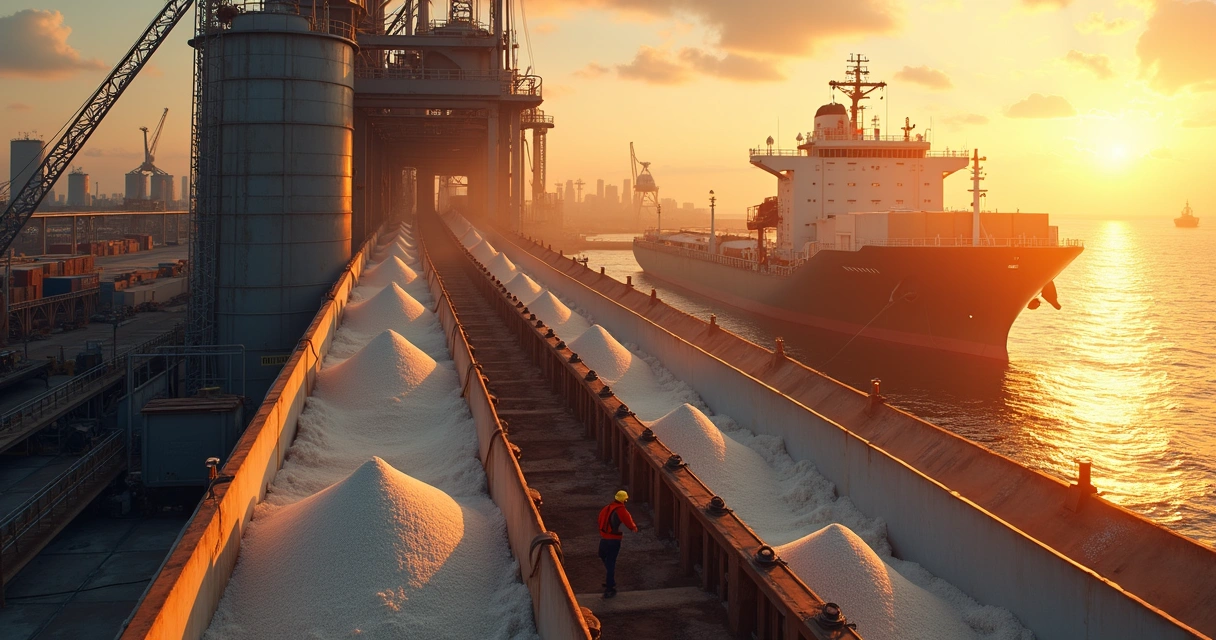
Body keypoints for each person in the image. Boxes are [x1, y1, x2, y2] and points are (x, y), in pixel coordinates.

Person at [597, 490, 638, 598]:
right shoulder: (621, 510)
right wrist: (634, 528)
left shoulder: (607, 508)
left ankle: (610, 579)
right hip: (614, 540)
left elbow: (600, 520)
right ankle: (610, 585)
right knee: (611, 562)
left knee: (602, 556)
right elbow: (629, 523)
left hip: (604, 539)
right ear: (624, 500)